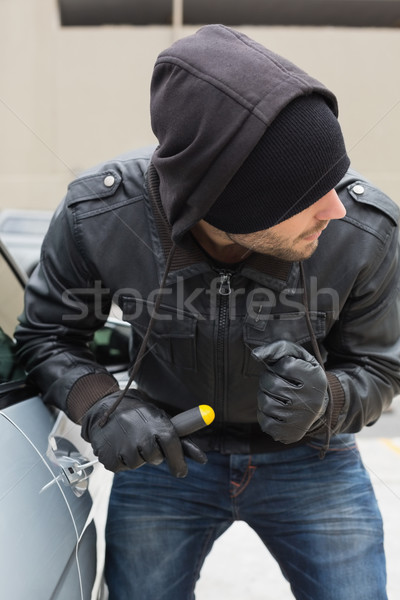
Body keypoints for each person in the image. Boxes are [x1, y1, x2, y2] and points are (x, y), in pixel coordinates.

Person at [15, 25, 400, 600]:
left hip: (313, 458)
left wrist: (330, 399)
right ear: (222, 202)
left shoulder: (364, 233)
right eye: (306, 193)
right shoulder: (98, 217)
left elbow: (381, 366)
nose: (335, 207)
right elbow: (46, 337)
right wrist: (100, 404)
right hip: (168, 454)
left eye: (334, 177)